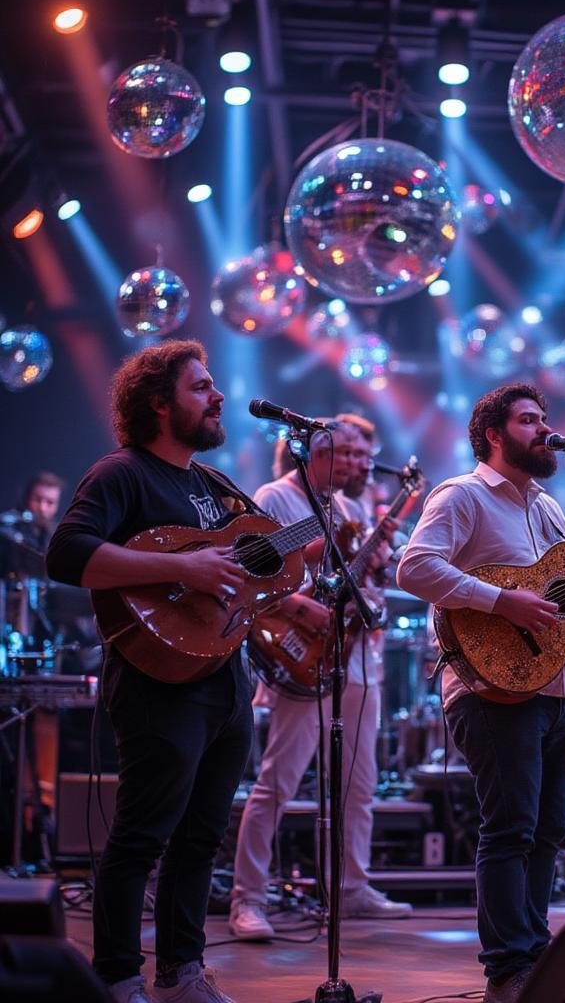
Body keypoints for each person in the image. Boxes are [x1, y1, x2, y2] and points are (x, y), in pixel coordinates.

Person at [396, 384, 565, 1003]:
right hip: (488, 685)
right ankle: (506, 969)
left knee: (549, 829)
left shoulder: (547, 504)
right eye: (528, 420)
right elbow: (414, 567)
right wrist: (501, 600)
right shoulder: (462, 494)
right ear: (493, 434)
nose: (544, 429)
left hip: (558, 685)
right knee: (510, 828)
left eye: (546, 418)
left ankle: (535, 955)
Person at [46, 340, 252, 1003]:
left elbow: (235, 574)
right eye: (201, 387)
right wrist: (180, 566)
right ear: (159, 404)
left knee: (201, 840)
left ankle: (181, 973)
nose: (218, 397)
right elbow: (66, 552)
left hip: (225, 678)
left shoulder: (214, 486)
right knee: (141, 837)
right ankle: (117, 977)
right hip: (157, 683)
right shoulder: (121, 474)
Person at [229, 416, 411, 939]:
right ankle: (248, 899)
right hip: (302, 650)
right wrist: (298, 604)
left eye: (362, 455)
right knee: (279, 780)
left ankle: (352, 888)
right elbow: (258, 570)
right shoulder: (277, 496)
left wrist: (374, 565)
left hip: (356, 656)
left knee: (360, 781)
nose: (360, 464)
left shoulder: (350, 506)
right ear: (317, 453)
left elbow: (356, 575)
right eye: (351, 454)